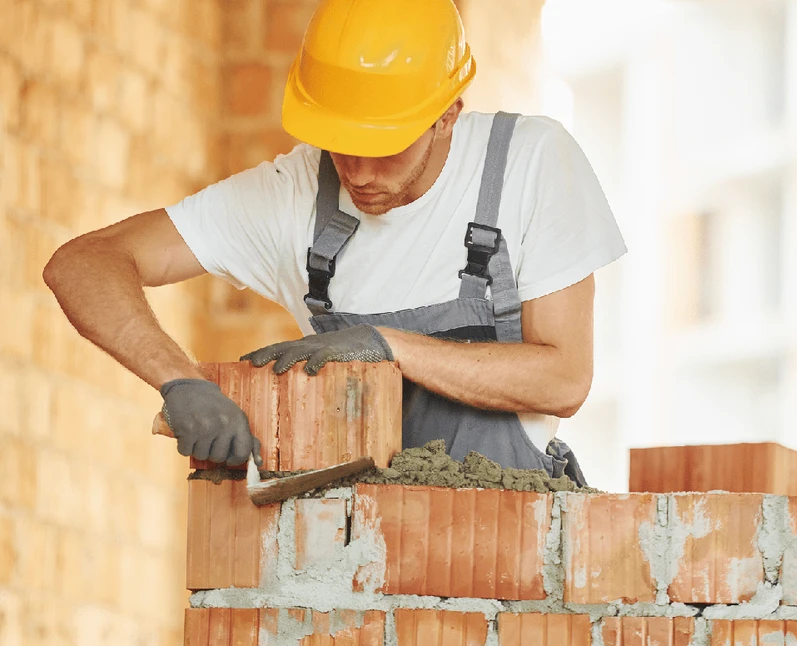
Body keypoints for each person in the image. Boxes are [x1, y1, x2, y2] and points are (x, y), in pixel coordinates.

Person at [43, 0, 626, 485]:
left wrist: (391, 348)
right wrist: (179, 380)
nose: (361, 172)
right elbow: (83, 263)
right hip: (351, 555)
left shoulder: (528, 164)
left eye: (386, 144)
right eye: (342, 142)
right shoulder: (294, 192)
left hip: (498, 548)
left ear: (447, 113)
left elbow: (565, 378)